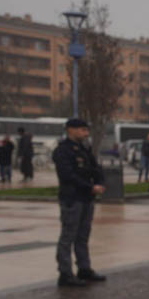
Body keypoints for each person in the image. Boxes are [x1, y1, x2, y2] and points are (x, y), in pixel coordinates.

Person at [52, 118, 107, 287]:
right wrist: (90, 187)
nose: (86, 133)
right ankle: (65, 273)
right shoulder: (62, 151)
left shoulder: (84, 149)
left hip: (86, 198)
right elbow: (67, 175)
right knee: (68, 236)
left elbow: (95, 168)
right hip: (72, 198)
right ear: (70, 130)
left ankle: (84, 268)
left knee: (83, 236)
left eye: (86, 130)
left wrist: (100, 182)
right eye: (82, 130)